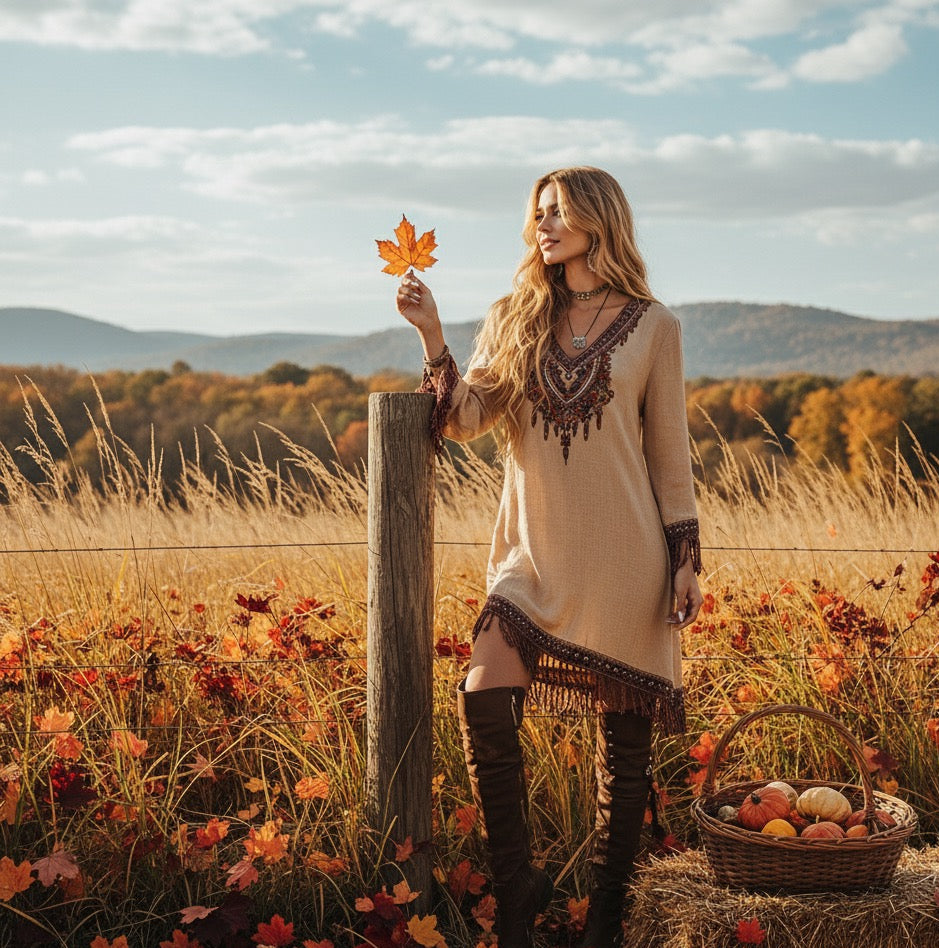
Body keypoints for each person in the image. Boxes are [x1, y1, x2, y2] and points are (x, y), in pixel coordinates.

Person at [395, 166, 703, 948]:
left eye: (556, 212)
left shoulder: (653, 325)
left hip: (626, 561)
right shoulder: (517, 315)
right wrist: (432, 336)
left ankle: (605, 915)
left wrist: (685, 558)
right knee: (480, 695)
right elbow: (463, 418)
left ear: (598, 220)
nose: (542, 225)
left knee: (621, 760)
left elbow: (669, 456)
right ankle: (517, 886)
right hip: (530, 560)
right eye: (536, 213)